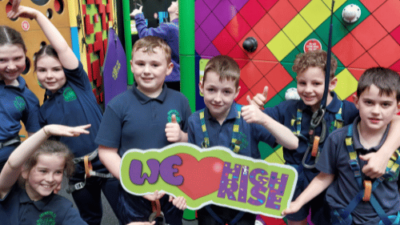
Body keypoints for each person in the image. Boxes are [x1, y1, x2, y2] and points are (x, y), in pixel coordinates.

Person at [9, 6, 120, 225]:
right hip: (77, 170)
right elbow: (46, 147)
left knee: (126, 210)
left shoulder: (78, 84)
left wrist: (38, 15)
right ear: (36, 73)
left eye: (56, 69)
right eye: (42, 70)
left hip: (105, 161)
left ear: (66, 70)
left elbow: (61, 47)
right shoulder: (43, 109)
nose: (49, 75)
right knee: (89, 217)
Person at [251, 50, 359, 225]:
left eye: (316, 83)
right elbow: (249, 118)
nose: (308, 90)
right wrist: (255, 108)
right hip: (295, 177)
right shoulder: (288, 108)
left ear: (332, 84)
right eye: (302, 83)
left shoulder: (349, 112)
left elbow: (391, 122)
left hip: (332, 181)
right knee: (295, 221)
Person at [188, 55, 299, 225]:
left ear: (237, 92)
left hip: (244, 204)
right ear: (201, 87)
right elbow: (192, 164)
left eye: (226, 91)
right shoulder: (194, 121)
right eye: (211, 89)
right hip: (208, 203)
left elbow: (293, 143)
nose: (218, 98)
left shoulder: (250, 116)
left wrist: (264, 119)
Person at [282, 67, 400, 224]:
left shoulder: (395, 140)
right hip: (342, 217)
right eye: (369, 102)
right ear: (356, 102)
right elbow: (324, 177)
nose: (376, 111)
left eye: (385, 104)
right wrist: (299, 202)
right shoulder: (337, 139)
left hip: (386, 219)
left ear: (397, 108)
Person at [95, 36, 189, 224]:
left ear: (169, 69)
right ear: (131, 66)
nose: (146, 71)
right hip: (133, 192)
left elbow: (191, 146)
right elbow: (106, 151)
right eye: (140, 64)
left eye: (155, 65)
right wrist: (135, 183)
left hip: (172, 190)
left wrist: (181, 136)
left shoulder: (180, 101)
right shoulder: (118, 105)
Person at [0, 124, 90, 225]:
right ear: (25, 171)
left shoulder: (63, 208)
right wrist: (45, 132)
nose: (50, 179)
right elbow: (12, 164)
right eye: (43, 171)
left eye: (58, 172)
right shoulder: (7, 192)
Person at [0, 25, 41, 171]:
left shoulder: (28, 97)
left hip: (10, 163)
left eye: (17, 58)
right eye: (2, 60)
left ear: (25, 54)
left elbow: (34, 138)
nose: (11, 66)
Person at [131, 1, 180, 91]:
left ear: (177, 11)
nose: (172, 2)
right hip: (178, 77)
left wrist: (138, 16)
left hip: (167, 78)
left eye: (176, 2)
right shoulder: (179, 27)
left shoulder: (169, 28)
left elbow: (145, 36)